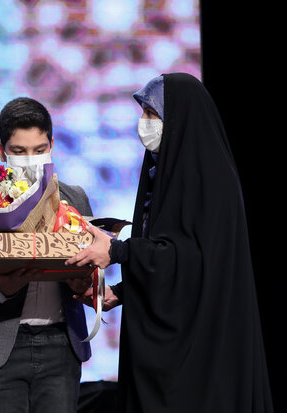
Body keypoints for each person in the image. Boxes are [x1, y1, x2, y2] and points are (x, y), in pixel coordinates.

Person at [66, 73, 273, 412]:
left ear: (180, 120)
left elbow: (193, 260)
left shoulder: (212, 180)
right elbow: (169, 252)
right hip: (174, 346)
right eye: (143, 113)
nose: (143, 123)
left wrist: (118, 251)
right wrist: (122, 292)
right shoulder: (163, 175)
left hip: (202, 351)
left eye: (152, 114)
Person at [0, 97, 93, 413]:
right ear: (0, 150)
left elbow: (91, 270)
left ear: (52, 146)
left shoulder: (75, 198)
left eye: (39, 150)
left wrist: (82, 283)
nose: (30, 159)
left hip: (61, 345)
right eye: (19, 152)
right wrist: (1, 290)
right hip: (0, 344)